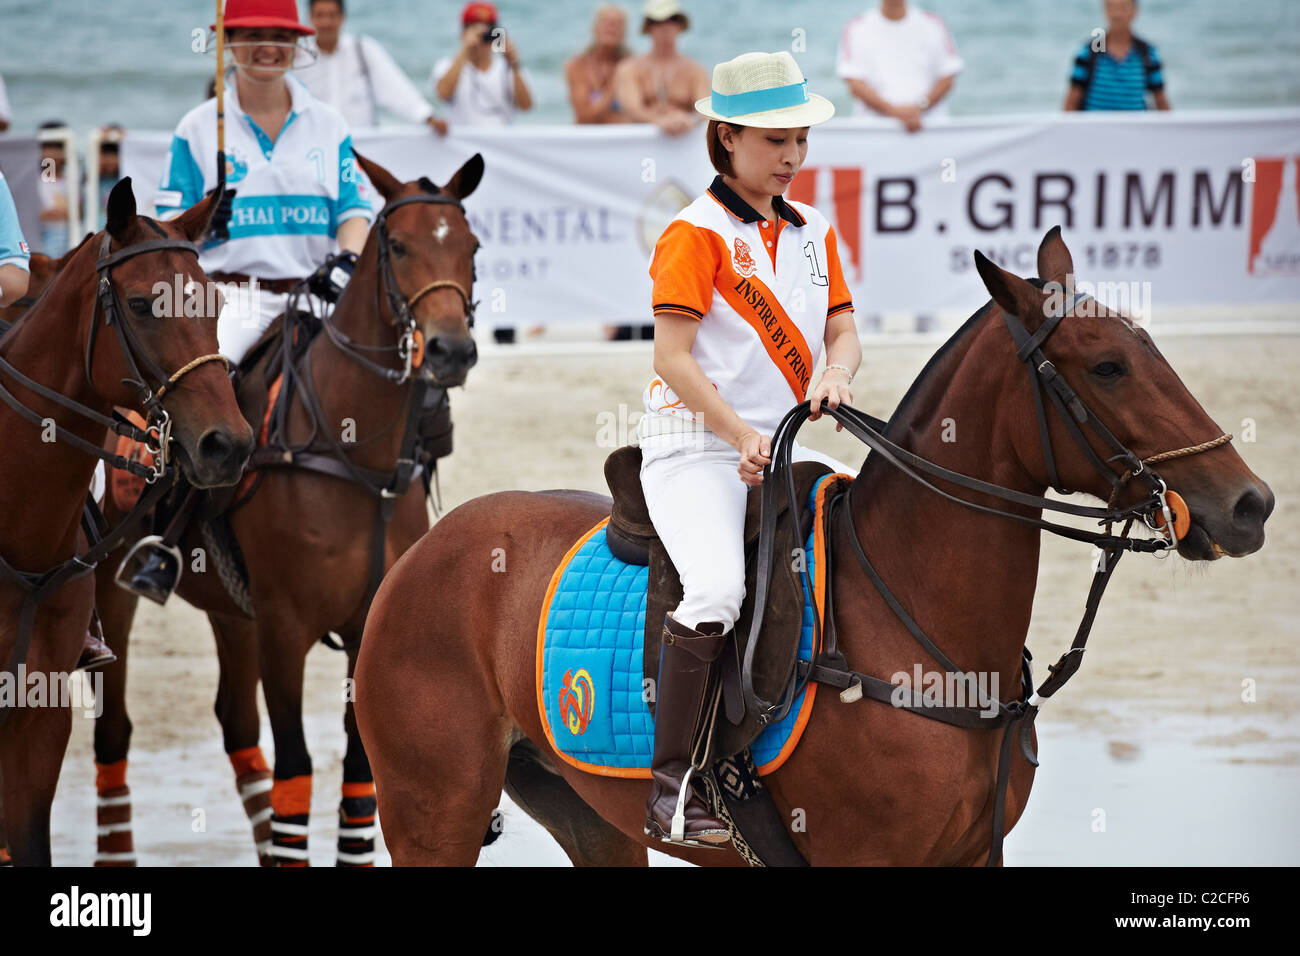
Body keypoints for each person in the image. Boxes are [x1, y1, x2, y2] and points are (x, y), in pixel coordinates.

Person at [636, 50, 860, 846]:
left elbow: (841, 326)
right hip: (694, 446)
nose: (792, 156)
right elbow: (671, 357)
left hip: (784, 444)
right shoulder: (690, 234)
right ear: (726, 139)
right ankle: (672, 788)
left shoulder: (815, 232)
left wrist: (836, 371)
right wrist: (737, 434)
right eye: (774, 140)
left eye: (799, 139)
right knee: (719, 590)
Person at [130, 0, 374, 602]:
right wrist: (205, 222)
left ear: (297, 44)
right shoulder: (198, 127)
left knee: (381, 379)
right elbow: (167, 228)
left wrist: (344, 259)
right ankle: (165, 539)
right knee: (201, 396)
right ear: (227, 42)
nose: (268, 46)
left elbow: (355, 212)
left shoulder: (329, 125)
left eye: (280, 35)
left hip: (315, 291)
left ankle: (399, 503)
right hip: (233, 297)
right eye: (253, 35)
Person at [296, 0, 448, 133]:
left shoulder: (362, 50)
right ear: (310, 18)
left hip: (358, 150)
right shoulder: (300, 58)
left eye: (332, 15)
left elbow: (394, 87)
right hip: (316, 151)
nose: (326, 23)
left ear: (342, 18)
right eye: (320, 15)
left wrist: (426, 117)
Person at [836, 0, 962, 132]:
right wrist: (897, 112)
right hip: (874, 131)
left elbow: (947, 78)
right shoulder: (856, 27)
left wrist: (919, 107)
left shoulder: (934, 23)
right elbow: (855, 84)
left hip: (929, 129)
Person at [612, 0, 710, 137]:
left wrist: (688, 120)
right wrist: (660, 120)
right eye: (657, 21)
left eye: (672, 19)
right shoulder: (629, 69)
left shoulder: (695, 70)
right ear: (648, 27)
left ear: (680, 25)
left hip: (683, 144)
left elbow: (705, 109)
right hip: (641, 144)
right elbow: (631, 108)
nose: (666, 26)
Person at [432, 2, 533, 129]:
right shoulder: (447, 65)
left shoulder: (507, 67)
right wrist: (465, 50)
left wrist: (514, 64)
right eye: (474, 28)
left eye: (489, 29)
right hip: (464, 145)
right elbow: (443, 93)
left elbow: (526, 106)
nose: (483, 34)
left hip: (501, 143)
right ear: (463, 33)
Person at [1065, 0, 1170, 111]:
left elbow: (1161, 102)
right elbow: (1071, 103)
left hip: (1135, 127)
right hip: (1094, 127)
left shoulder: (1147, 53)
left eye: (1123, 7)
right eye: (1112, 7)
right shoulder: (1089, 52)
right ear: (1104, 10)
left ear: (1135, 11)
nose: (1117, 13)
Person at [565, 4, 631, 125]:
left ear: (624, 32)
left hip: (621, 138)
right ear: (594, 28)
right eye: (606, 22)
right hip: (588, 139)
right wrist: (615, 84)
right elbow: (585, 115)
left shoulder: (633, 65)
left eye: (617, 24)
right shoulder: (577, 65)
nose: (611, 28)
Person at [37, 121, 71, 255]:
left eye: (58, 147)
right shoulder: (34, 180)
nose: (53, 153)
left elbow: (82, 209)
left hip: (70, 239)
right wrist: (43, 214)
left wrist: (69, 213)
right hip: (42, 241)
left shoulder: (74, 178)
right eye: (48, 147)